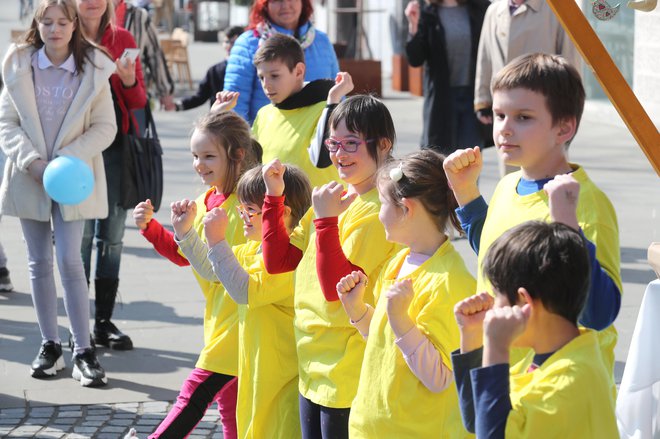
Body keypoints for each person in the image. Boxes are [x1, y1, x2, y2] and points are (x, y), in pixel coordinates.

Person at [443, 53, 621, 370]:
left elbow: (600, 313)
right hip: (503, 374)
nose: (505, 129)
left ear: (564, 128)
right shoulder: (507, 185)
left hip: (557, 393)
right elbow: (496, 254)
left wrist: (568, 227)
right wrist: (466, 193)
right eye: (499, 115)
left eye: (523, 117)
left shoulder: (585, 203)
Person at [261, 94, 400, 439]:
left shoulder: (381, 210)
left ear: (382, 145)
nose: (339, 154)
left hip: (348, 367)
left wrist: (325, 222)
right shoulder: (338, 197)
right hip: (311, 360)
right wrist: (274, 196)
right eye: (333, 144)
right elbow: (279, 261)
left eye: (351, 143)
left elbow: (336, 289)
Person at [0, 0, 117, 385]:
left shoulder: (93, 68)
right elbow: (7, 124)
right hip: (29, 177)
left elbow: (104, 127)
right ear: (36, 23)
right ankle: (50, 345)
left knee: (70, 261)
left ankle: (83, 349)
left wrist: (65, 160)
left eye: (62, 22)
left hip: (73, 181)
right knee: (37, 262)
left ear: (74, 25)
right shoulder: (19, 64)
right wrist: (33, 163)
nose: (54, 29)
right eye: (46, 21)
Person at [132, 111, 261, 439]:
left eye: (208, 156)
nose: (199, 164)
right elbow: (184, 255)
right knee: (230, 405)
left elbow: (219, 270)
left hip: (241, 324)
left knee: (195, 393)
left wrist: (186, 232)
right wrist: (153, 229)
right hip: (219, 320)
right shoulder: (207, 199)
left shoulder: (245, 207)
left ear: (237, 154)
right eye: (194, 156)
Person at [336, 150, 476, 437]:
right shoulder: (399, 260)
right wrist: (359, 312)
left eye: (383, 204)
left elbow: (440, 377)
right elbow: (387, 340)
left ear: (406, 209)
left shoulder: (450, 280)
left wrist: (401, 320)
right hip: (374, 426)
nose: (378, 213)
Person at [176, 164, 311, 439]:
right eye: (241, 209)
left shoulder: (291, 260)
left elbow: (244, 291)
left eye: (250, 211)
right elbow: (214, 271)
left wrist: (216, 242)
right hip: (258, 377)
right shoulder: (254, 247)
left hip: (283, 383)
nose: (242, 217)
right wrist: (186, 233)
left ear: (281, 214)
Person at [451, 221, 619, 438]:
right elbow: (479, 418)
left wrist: (496, 349)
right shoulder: (556, 356)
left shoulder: (564, 384)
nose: (493, 304)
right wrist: (472, 335)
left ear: (523, 301)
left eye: (497, 293)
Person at [77, 0, 147, 351]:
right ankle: (78, 325)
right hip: (76, 151)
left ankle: (103, 323)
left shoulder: (121, 37)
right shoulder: (64, 33)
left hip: (117, 150)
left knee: (112, 237)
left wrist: (129, 80)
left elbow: (139, 100)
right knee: (82, 239)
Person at [215, 33, 339, 189]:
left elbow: (324, 159)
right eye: (261, 77)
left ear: (299, 71)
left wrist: (332, 104)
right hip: (275, 211)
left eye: (274, 75)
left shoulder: (327, 111)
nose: (266, 85)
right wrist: (219, 119)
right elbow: (245, 167)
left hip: (321, 212)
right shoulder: (264, 114)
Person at [474, 0, 582, 176]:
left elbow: (570, 59)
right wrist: (482, 99)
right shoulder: (494, 10)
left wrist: (570, 104)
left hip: (544, 106)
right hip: (505, 104)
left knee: (548, 168)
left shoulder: (558, 8)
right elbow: (485, 56)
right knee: (510, 169)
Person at [223, 0, 339, 123]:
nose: (285, 5)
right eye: (276, 0)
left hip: (321, 136)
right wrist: (243, 140)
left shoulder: (322, 41)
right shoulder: (247, 43)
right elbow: (235, 104)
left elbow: (337, 91)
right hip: (265, 137)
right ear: (264, 5)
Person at [404, 0, 490, 153]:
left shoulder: (480, 7)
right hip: (441, 99)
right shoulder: (426, 11)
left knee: (469, 159)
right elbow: (415, 59)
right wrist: (413, 25)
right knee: (438, 159)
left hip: (473, 98)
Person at [113, 0, 175, 110]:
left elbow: (155, 54)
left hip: (133, 94)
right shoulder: (91, 12)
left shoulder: (139, 16)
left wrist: (165, 91)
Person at [167, 25, 245, 111]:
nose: (229, 46)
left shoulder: (251, 70)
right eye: (226, 42)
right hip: (219, 119)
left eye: (234, 42)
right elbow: (201, 96)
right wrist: (178, 105)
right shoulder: (214, 71)